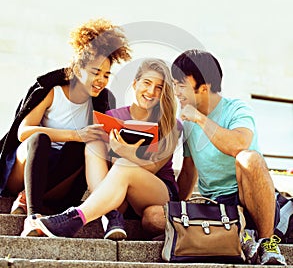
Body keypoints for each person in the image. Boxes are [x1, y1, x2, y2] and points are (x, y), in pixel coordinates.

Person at [0, 18, 131, 237]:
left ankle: (109, 212)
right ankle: (33, 217)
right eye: (95, 72)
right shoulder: (52, 91)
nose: (101, 80)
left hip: (60, 181)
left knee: (90, 144)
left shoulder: (102, 101)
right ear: (78, 68)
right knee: (39, 138)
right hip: (27, 168)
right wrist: (75, 134)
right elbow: (23, 132)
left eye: (106, 75)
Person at [33, 58, 182, 239]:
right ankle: (112, 214)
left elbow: (153, 168)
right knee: (93, 144)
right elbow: (101, 159)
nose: (151, 91)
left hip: (158, 193)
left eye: (159, 87)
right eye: (147, 83)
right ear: (135, 84)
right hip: (120, 194)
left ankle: (74, 218)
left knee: (123, 166)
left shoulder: (171, 124)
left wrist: (123, 151)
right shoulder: (113, 116)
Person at [167, 49, 285, 265]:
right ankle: (242, 235)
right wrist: (174, 210)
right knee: (154, 216)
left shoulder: (237, 109)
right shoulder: (188, 123)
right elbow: (188, 171)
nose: (176, 91)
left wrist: (201, 119)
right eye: (174, 84)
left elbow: (238, 145)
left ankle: (267, 242)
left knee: (249, 158)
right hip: (216, 207)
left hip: (252, 200)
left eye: (181, 85)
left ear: (204, 88)